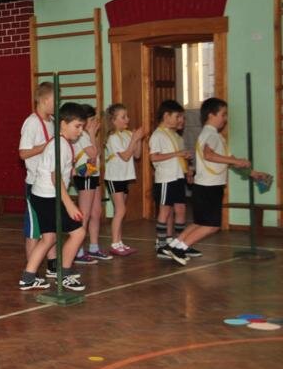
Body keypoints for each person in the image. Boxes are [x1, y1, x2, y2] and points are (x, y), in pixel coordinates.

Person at [164, 98, 269, 265]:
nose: (225, 118)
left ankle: (174, 245)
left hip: (204, 186)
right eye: (223, 114)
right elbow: (209, 155)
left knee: (200, 223)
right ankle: (180, 248)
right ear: (211, 115)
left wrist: (252, 173)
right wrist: (235, 161)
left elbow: (227, 160)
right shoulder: (211, 134)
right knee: (212, 226)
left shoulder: (214, 135)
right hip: (209, 187)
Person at [18, 102, 88, 292]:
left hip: (41, 196)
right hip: (49, 197)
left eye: (82, 127)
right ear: (63, 124)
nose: (80, 131)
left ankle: (28, 278)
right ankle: (64, 275)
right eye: (77, 126)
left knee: (48, 239)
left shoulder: (60, 143)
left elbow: (59, 171)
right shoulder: (60, 145)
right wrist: (69, 204)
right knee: (78, 233)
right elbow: (55, 177)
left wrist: (77, 171)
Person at [19, 82, 58, 276]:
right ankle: (31, 271)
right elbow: (23, 153)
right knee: (34, 229)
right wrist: (46, 146)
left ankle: (52, 265)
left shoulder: (52, 121)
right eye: (55, 100)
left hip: (49, 183)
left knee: (50, 226)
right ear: (44, 100)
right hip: (35, 184)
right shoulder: (32, 123)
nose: (57, 104)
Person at [149, 100, 194, 257]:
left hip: (178, 177)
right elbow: (154, 157)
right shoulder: (158, 135)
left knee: (181, 209)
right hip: (165, 179)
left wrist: (187, 169)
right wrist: (177, 154)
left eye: (182, 117)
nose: (180, 120)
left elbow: (179, 158)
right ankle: (161, 245)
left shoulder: (176, 136)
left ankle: (179, 244)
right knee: (165, 210)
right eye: (177, 116)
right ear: (166, 116)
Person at [103, 103, 146, 255]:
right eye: (123, 117)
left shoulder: (127, 134)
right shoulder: (112, 137)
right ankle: (115, 243)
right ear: (113, 121)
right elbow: (126, 156)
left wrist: (138, 140)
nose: (127, 119)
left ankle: (119, 241)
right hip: (114, 178)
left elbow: (137, 155)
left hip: (124, 177)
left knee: (119, 211)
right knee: (121, 210)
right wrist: (134, 139)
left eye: (127, 116)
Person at [71, 104, 109, 262]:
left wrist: (93, 134)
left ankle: (93, 247)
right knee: (84, 214)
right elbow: (93, 153)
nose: (94, 123)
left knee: (96, 212)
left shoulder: (87, 135)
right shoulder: (82, 136)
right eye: (92, 120)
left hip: (93, 174)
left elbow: (97, 152)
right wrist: (93, 134)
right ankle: (78, 250)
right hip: (84, 176)